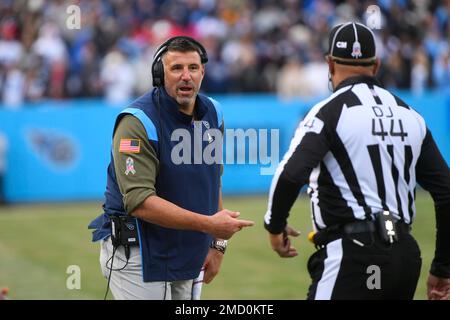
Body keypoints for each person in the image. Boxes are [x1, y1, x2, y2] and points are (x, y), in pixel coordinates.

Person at [264, 22, 450, 300]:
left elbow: (290, 174)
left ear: (329, 64)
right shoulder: (411, 115)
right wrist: (443, 268)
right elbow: (446, 191)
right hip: (405, 257)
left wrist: (275, 225)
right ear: (375, 65)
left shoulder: (329, 113)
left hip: (354, 252)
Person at [89, 36, 254, 300]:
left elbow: (213, 182)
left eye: (193, 67)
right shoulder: (137, 122)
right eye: (176, 68)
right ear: (159, 74)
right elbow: (139, 201)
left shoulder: (214, 112)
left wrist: (218, 245)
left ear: (203, 72)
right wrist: (209, 225)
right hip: (139, 255)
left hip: (187, 250)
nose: (186, 76)